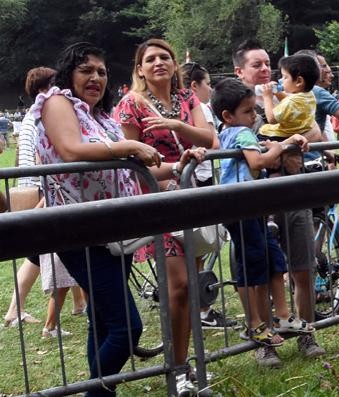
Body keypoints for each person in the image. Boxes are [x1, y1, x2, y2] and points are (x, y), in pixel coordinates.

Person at [36, 41, 194, 396]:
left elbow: (134, 169)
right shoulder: (57, 101)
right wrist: (128, 145)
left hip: (114, 230)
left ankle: (101, 393)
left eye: (102, 72)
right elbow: (70, 149)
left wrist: (177, 166)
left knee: (104, 325)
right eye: (86, 70)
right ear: (68, 73)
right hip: (80, 230)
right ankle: (95, 392)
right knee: (126, 329)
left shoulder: (100, 117)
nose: (96, 78)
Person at [114, 38, 218, 389]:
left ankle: (185, 363)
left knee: (191, 288)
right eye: (150, 59)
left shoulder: (187, 98)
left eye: (165, 57)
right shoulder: (131, 104)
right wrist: (177, 166)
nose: (159, 63)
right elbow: (128, 165)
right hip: (158, 204)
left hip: (192, 200)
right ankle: (176, 371)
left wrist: (177, 128)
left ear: (175, 64)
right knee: (179, 287)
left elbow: (210, 140)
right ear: (139, 68)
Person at [232, 39, 324, 364]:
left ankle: (306, 334)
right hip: (253, 203)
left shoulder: (288, 99)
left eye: (267, 64)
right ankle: (263, 343)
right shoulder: (234, 104)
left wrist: (294, 142)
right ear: (239, 71)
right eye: (256, 65)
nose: (265, 70)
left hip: (292, 191)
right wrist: (284, 147)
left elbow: (315, 132)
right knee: (257, 273)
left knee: (303, 266)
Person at [211, 77, 313, 367]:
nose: (253, 115)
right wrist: (280, 148)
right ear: (228, 116)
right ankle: (256, 324)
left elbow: (250, 154)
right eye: (247, 111)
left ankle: (281, 315)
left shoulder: (228, 131)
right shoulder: (241, 132)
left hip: (251, 207)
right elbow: (258, 163)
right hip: (243, 207)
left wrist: (270, 144)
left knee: (272, 257)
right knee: (254, 263)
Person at [4, 66, 88, 329]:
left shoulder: (36, 114)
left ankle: (79, 304)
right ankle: (15, 311)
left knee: (61, 251)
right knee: (39, 256)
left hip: (40, 187)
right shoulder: (43, 114)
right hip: (39, 190)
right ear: (44, 87)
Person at [257, 54, 318, 142]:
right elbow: (289, 105)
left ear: (299, 81)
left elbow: (272, 119)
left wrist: (267, 97)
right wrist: (278, 93)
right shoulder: (308, 96)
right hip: (295, 133)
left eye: (285, 77)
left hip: (277, 137)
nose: (281, 80)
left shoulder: (291, 101)